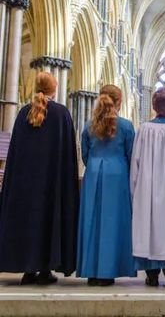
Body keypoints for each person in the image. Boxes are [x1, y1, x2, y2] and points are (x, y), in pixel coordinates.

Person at [0, 72, 79, 285]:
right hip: (51, 184)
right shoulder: (61, 114)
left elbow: (14, 153)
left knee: (29, 221)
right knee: (48, 221)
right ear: (55, 88)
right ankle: (45, 269)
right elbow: (69, 154)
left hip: (25, 184)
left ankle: (28, 268)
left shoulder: (23, 113)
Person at [77, 85, 136, 286]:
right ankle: (107, 271)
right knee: (112, 223)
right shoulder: (126, 127)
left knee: (91, 221)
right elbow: (132, 154)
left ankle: (91, 271)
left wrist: (95, 165)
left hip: (93, 173)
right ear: (119, 102)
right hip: (117, 174)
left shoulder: (88, 125)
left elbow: (84, 153)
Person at [131, 87, 165, 287]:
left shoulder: (144, 129)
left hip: (148, 186)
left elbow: (136, 160)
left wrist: (135, 187)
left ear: (153, 106)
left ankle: (151, 273)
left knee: (150, 227)